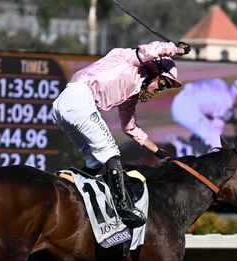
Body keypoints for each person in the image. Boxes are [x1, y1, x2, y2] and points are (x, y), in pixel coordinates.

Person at [51, 40, 187, 227]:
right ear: (154, 70)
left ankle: (70, 195)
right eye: (162, 82)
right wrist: (176, 49)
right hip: (78, 98)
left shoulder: (131, 96)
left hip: (67, 106)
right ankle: (122, 207)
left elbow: (129, 127)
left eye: (166, 87)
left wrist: (157, 151)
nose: (160, 89)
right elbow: (150, 50)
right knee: (111, 152)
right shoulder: (132, 59)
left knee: (95, 160)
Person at [170, 75, 237, 151]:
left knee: (209, 133)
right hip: (185, 108)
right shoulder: (226, 103)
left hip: (184, 100)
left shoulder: (224, 87)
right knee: (214, 141)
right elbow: (215, 131)